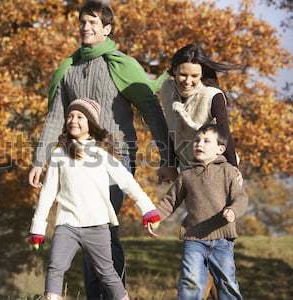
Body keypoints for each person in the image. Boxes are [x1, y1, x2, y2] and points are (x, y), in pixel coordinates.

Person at [29, 2, 176, 297]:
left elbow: (151, 110)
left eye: (93, 23)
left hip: (114, 158)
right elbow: (56, 117)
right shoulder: (68, 70)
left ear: (106, 29)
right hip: (75, 159)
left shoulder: (121, 65)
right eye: (83, 22)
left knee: (103, 228)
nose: (86, 27)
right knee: (83, 227)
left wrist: (168, 156)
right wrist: (39, 160)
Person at [29, 98, 161, 300]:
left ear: (90, 124)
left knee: (107, 273)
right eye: (70, 116)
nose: (73, 120)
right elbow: (47, 193)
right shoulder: (58, 154)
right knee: (55, 268)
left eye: (80, 116)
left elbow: (127, 182)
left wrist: (148, 209)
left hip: (97, 224)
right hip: (67, 224)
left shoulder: (101, 154)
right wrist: (38, 227)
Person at [150, 124, 248, 300]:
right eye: (196, 141)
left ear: (220, 148)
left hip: (222, 240)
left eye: (206, 141)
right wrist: (156, 217)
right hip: (194, 238)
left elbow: (241, 198)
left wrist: (233, 211)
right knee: (190, 280)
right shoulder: (186, 175)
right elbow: (170, 201)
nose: (199, 144)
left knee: (227, 282)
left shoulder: (229, 172)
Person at [159, 43, 240, 170]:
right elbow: (170, 131)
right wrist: (167, 165)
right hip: (186, 169)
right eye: (183, 75)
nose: (188, 81)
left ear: (201, 74)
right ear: (174, 70)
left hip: (214, 169)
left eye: (194, 76)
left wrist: (234, 171)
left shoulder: (212, 96)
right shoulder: (167, 90)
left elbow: (225, 134)